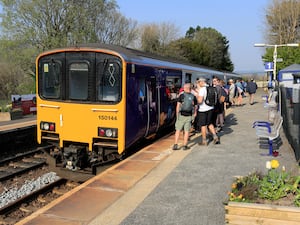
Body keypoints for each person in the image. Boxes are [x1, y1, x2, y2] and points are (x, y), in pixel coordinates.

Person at [173, 83, 197, 150]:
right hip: (189, 116)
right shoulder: (193, 96)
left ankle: (175, 145)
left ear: (185, 88)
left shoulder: (182, 96)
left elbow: (178, 106)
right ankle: (185, 145)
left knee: (178, 130)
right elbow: (195, 107)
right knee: (186, 131)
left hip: (181, 115)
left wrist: (177, 115)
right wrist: (194, 114)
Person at [196, 78, 220, 145]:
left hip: (203, 110)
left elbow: (200, 101)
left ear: (202, 82)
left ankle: (204, 141)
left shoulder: (202, 89)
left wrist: (196, 99)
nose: (197, 84)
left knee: (203, 125)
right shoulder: (211, 88)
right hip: (211, 108)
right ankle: (215, 137)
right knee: (210, 123)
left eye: (198, 82)